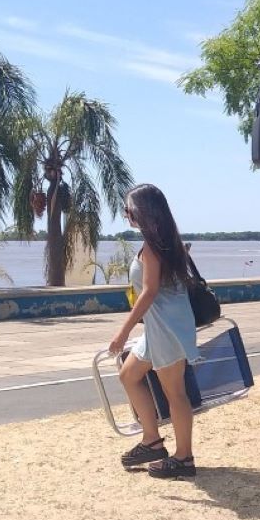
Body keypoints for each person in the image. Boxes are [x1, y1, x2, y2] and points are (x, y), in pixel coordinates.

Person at [109, 184, 200, 479]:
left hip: (166, 330)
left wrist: (122, 334)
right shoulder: (164, 241)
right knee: (129, 375)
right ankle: (152, 441)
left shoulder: (153, 247)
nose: (126, 215)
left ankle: (184, 458)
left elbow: (149, 293)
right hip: (160, 329)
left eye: (128, 210)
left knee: (175, 394)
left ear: (143, 212)